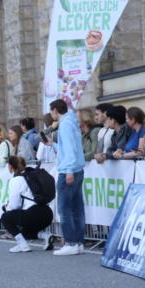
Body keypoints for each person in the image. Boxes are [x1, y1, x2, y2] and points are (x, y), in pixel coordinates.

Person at [51, 99, 86, 255]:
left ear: (55, 110)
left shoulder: (64, 125)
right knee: (77, 207)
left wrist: (69, 169)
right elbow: (69, 148)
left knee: (64, 208)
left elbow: (70, 149)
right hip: (76, 168)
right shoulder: (72, 122)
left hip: (68, 170)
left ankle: (71, 242)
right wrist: (52, 144)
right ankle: (77, 242)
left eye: (51, 111)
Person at [1, 156, 54, 253]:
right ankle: (46, 236)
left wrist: (5, 208)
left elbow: (14, 205)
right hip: (47, 213)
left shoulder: (16, 180)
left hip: (34, 214)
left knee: (5, 217)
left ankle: (23, 245)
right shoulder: (32, 175)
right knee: (24, 231)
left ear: (10, 167)